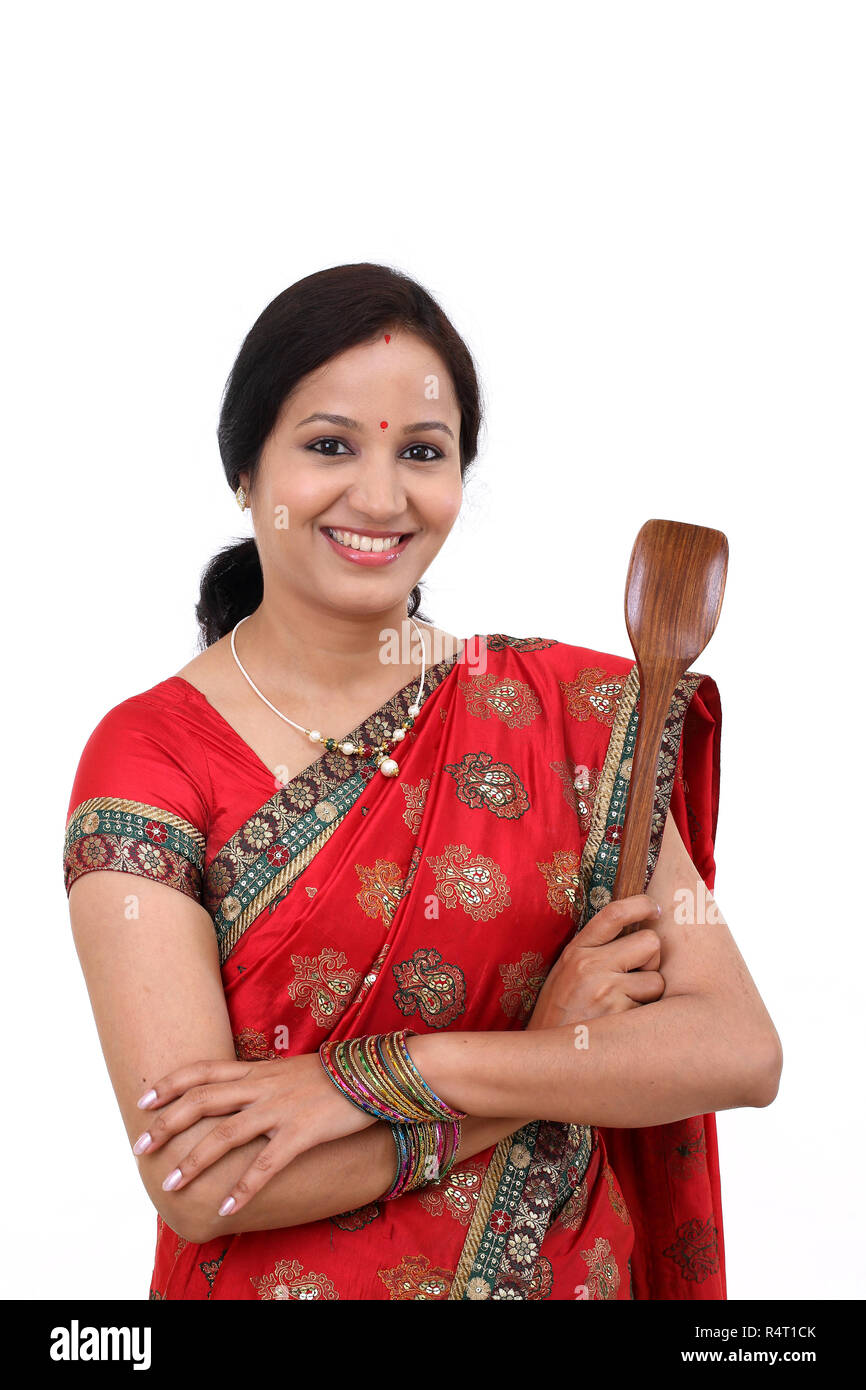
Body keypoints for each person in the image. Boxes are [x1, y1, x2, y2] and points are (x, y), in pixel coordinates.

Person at [63, 262, 782, 1301]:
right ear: (244, 472)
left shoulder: (575, 721)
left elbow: (734, 1046)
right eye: (328, 446)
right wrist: (544, 1055)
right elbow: (201, 1176)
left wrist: (375, 1077)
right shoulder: (151, 757)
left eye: (423, 453)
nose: (381, 495)